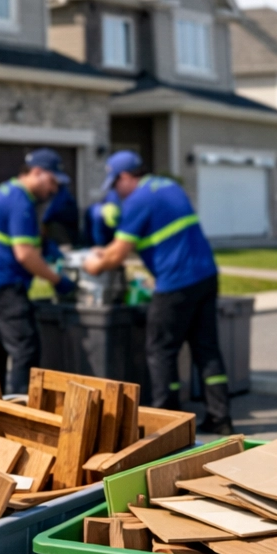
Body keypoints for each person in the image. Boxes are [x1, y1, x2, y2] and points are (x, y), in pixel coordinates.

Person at [83, 150, 232, 435]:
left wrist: (94, 264)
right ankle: (220, 418)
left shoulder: (138, 200)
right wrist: (109, 249)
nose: (116, 191)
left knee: (160, 350)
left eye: (115, 184)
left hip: (175, 284)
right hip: (205, 275)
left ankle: (168, 421)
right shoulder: (168, 186)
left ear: (126, 177)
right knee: (207, 350)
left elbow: (117, 256)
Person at [0, 148, 77, 394]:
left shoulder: (5, 191)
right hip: (4, 284)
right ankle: (19, 412)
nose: (53, 190)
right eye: (52, 182)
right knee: (25, 348)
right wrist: (58, 280)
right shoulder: (21, 200)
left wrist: (47, 246)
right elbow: (25, 254)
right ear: (37, 172)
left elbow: (25, 237)